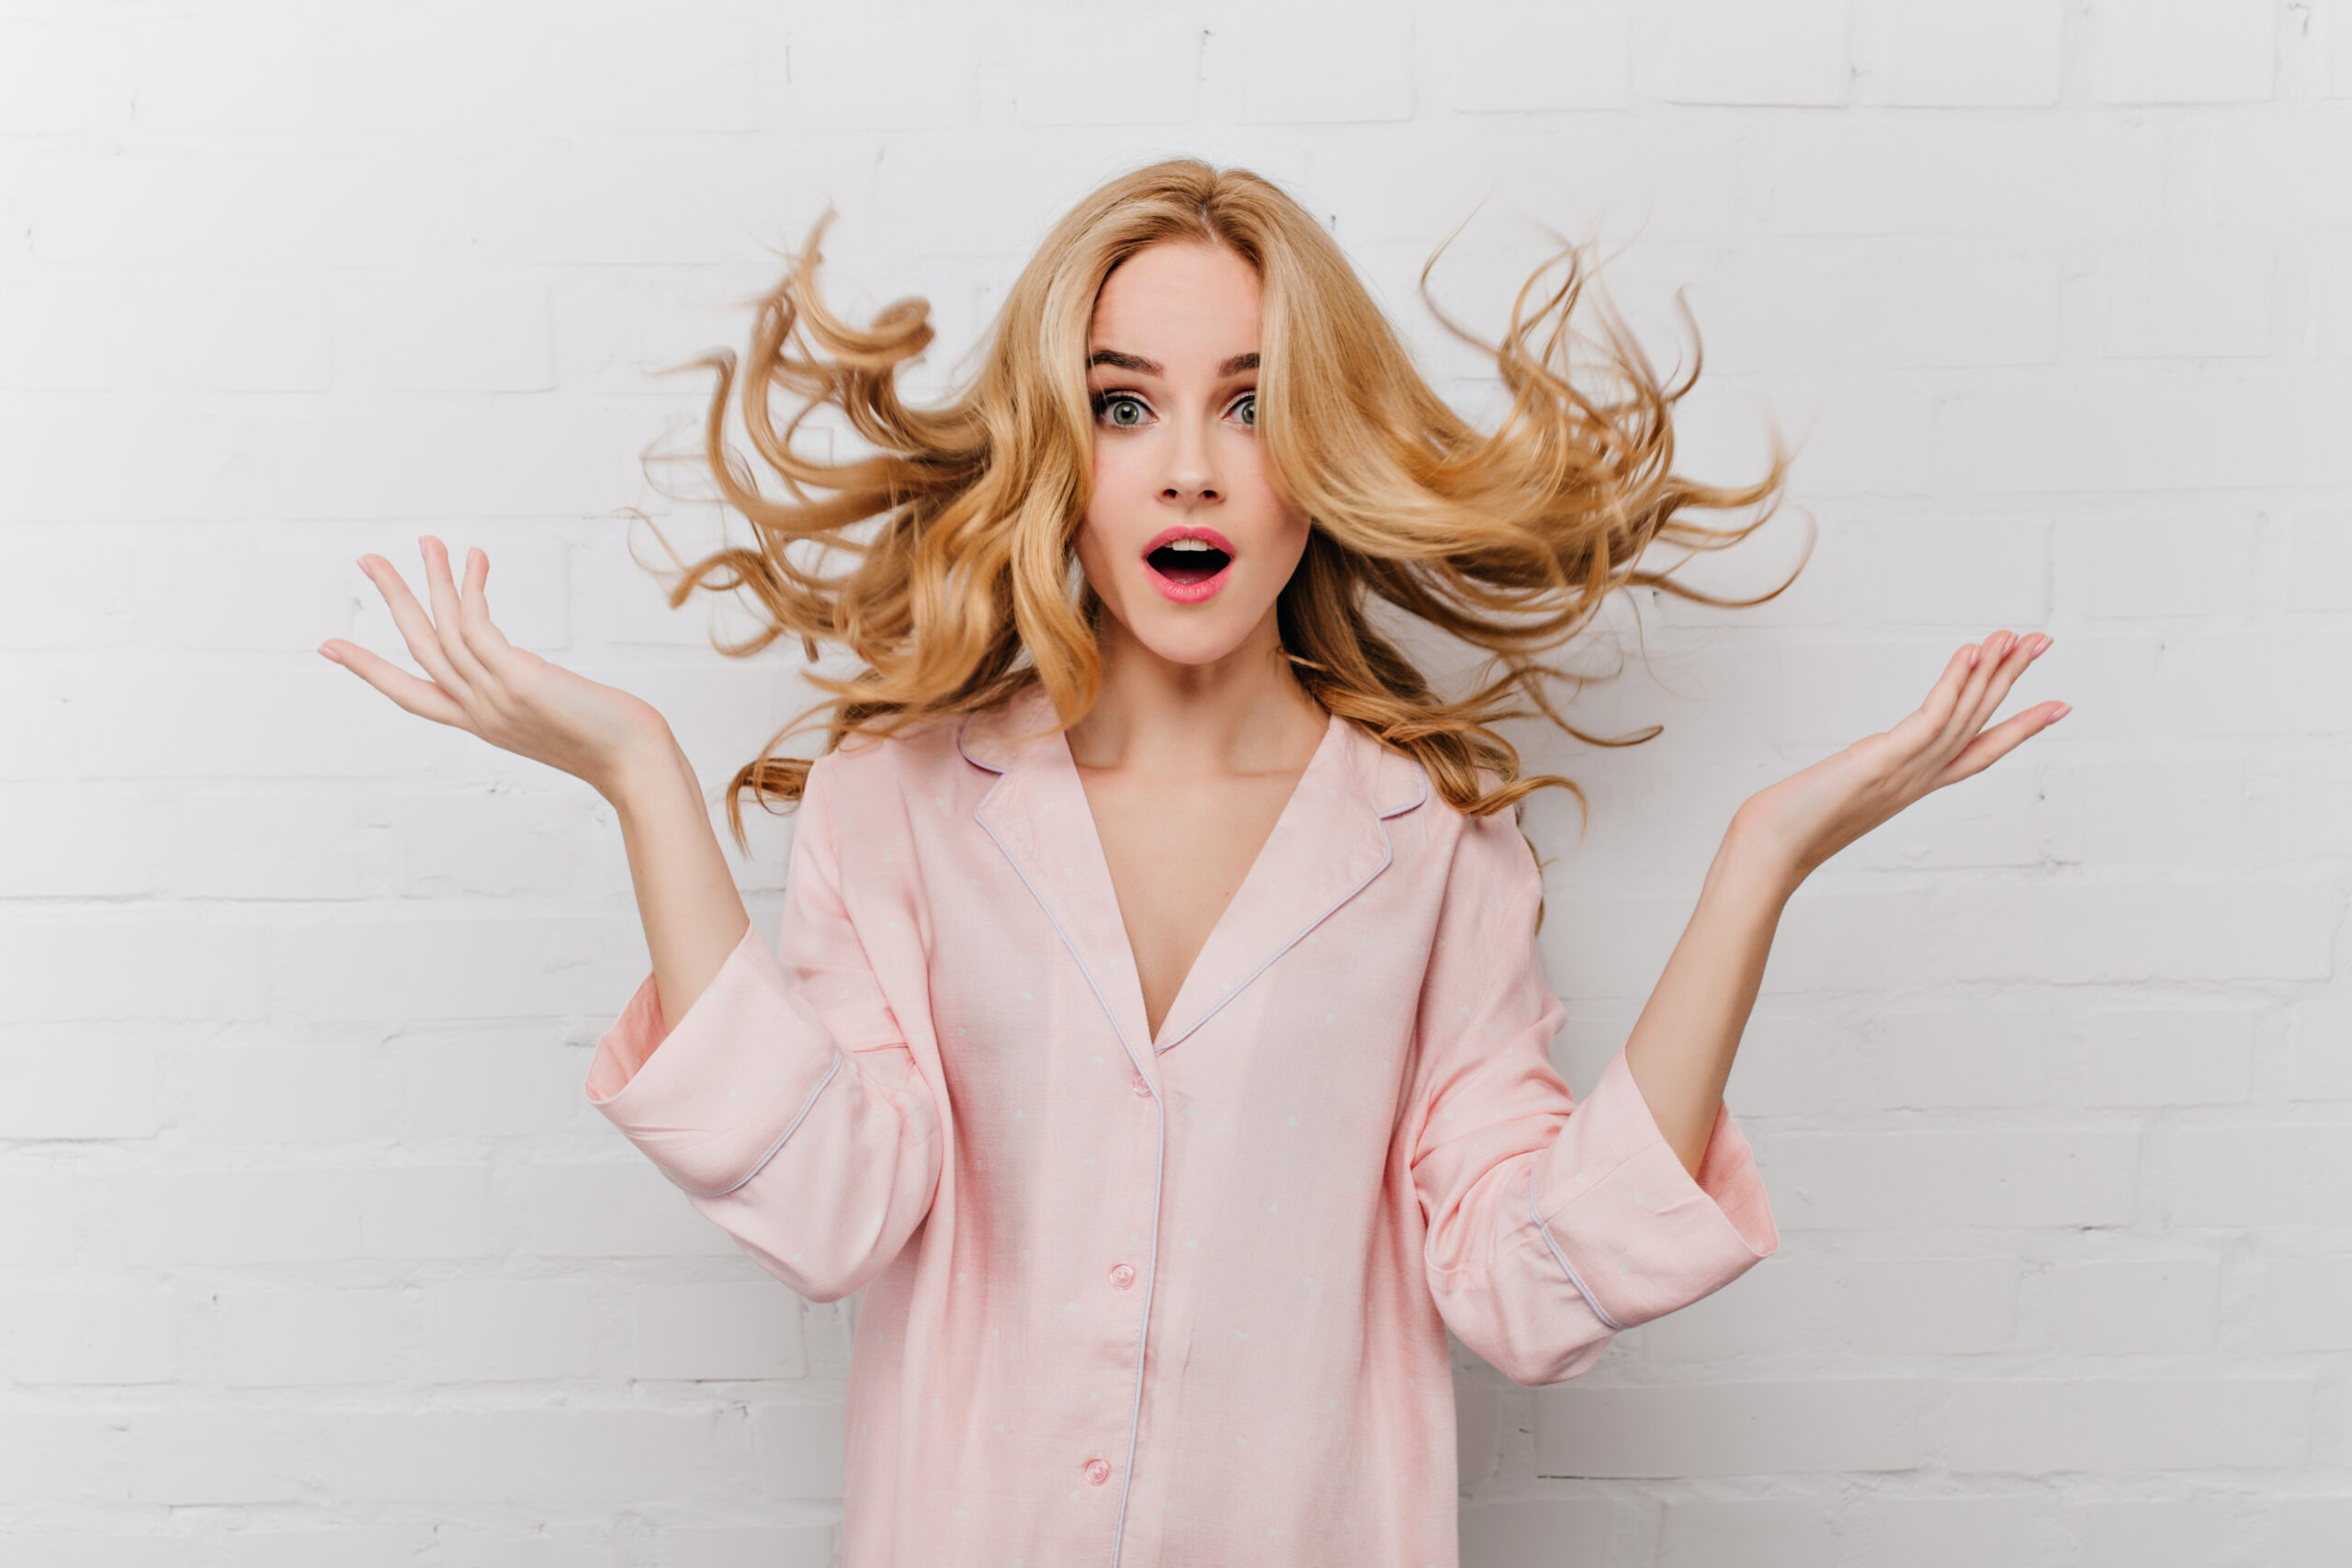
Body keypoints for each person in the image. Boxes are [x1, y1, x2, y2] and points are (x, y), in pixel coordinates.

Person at [321, 160, 2064, 1567]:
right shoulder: (897, 802)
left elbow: (1527, 1284)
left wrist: (1761, 862)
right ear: (1056, 449)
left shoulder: (1434, 847)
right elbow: (832, 1203)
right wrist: (639, 773)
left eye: (1251, 404)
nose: (1190, 472)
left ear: (1325, 453)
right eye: (1124, 404)